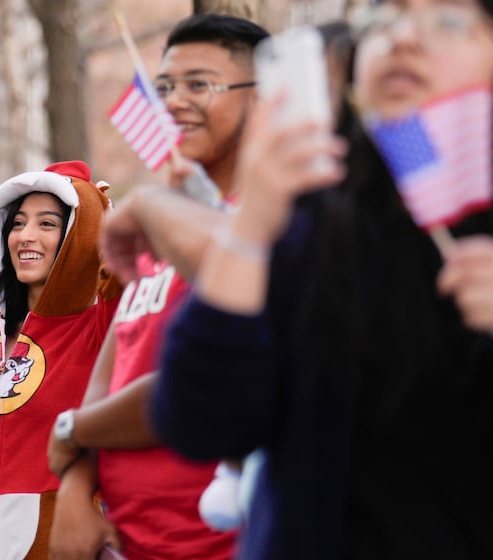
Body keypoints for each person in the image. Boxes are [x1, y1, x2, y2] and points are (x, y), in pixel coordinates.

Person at [151, 0, 493, 558]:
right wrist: (251, 229)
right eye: (385, 20)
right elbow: (199, 422)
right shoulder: (313, 216)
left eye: (449, 22)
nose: (404, 39)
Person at [44, 14, 268, 560]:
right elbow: (115, 368)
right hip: (126, 542)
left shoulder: (270, 229)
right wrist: (75, 491)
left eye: (200, 84)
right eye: (166, 86)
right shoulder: (151, 234)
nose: (173, 102)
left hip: (227, 541)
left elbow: (196, 383)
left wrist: (73, 430)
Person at [0, 161, 120, 559]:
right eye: (17, 223)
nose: (25, 236)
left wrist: (100, 222)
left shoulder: (99, 330)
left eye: (47, 224)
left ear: (76, 235)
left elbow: (127, 282)